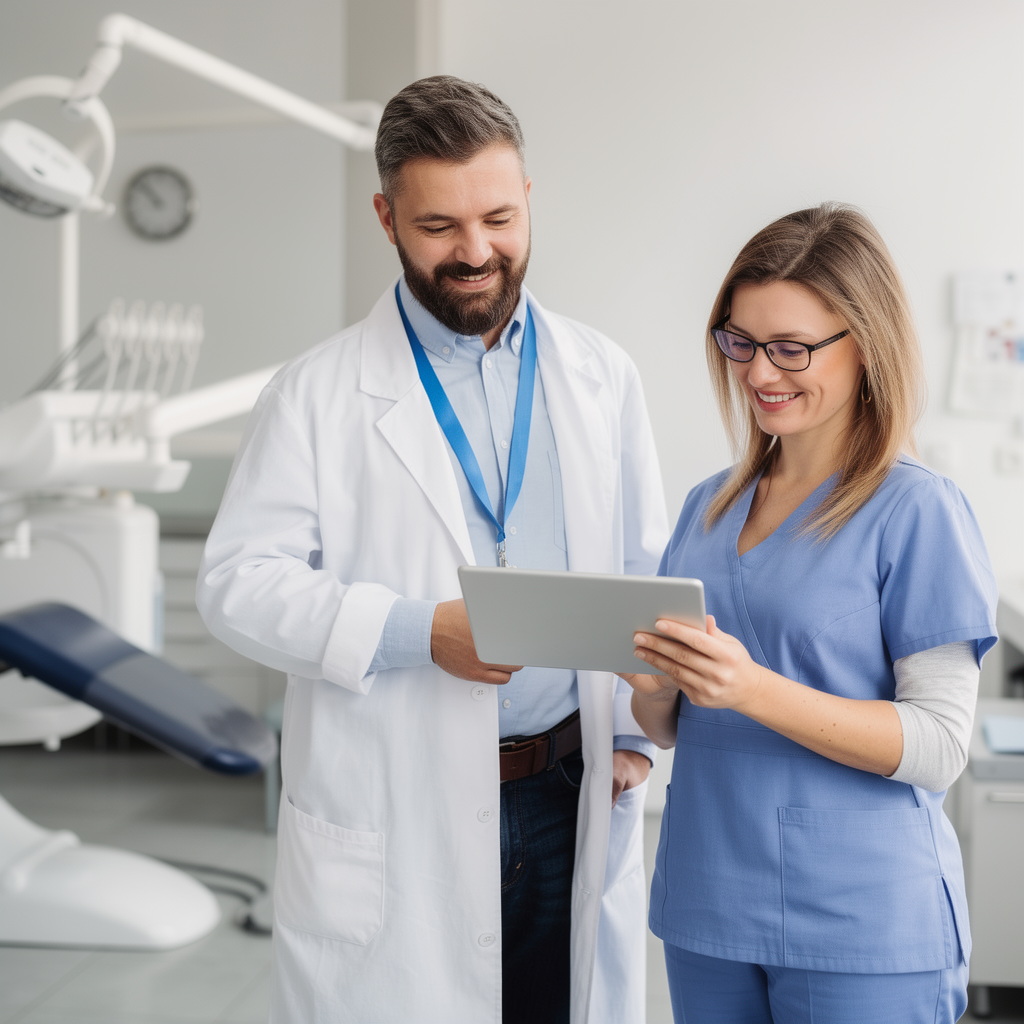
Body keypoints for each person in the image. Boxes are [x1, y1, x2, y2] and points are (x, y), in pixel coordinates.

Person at [196, 75, 668, 1024]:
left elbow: (641, 565)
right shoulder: (317, 393)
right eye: (439, 226)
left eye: (498, 215)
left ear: (528, 197)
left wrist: (625, 738)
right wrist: (419, 632)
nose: (476, 251)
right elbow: (237, 585)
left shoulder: (597, 373)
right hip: (397, 799)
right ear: (386, 216)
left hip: (568, 788)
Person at [624, 203, 998, 1024]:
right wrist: (652, 686)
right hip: (709, 902)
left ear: (866, 344)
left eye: (792, 348)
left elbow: (939, 744)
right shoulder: (706, 508)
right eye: (741, 342)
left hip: (860, 920)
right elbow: (674, 724)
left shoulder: (917, 510)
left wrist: (752, 688)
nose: (760, 373)